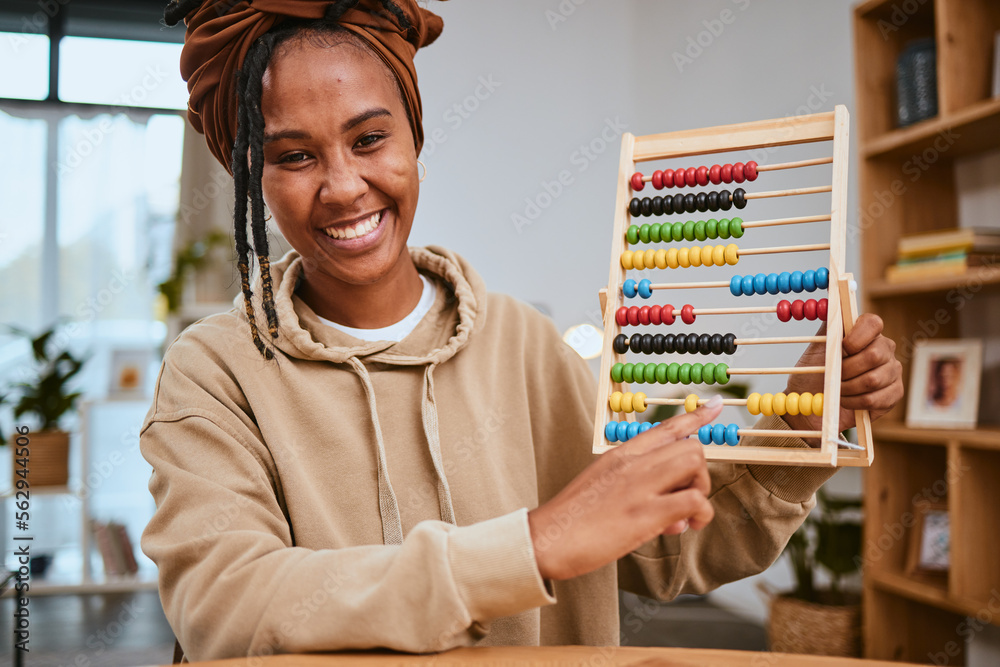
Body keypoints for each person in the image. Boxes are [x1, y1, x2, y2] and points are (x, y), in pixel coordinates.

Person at [141, 0, 904, 661]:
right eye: (294, 156)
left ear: (415, 140)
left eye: (370, 139)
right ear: (253, 175)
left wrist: (805, 427)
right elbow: (225, 608)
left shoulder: (528, 346)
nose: (343, 186)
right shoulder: (215, 370)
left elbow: (670, 549)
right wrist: (531, 544)